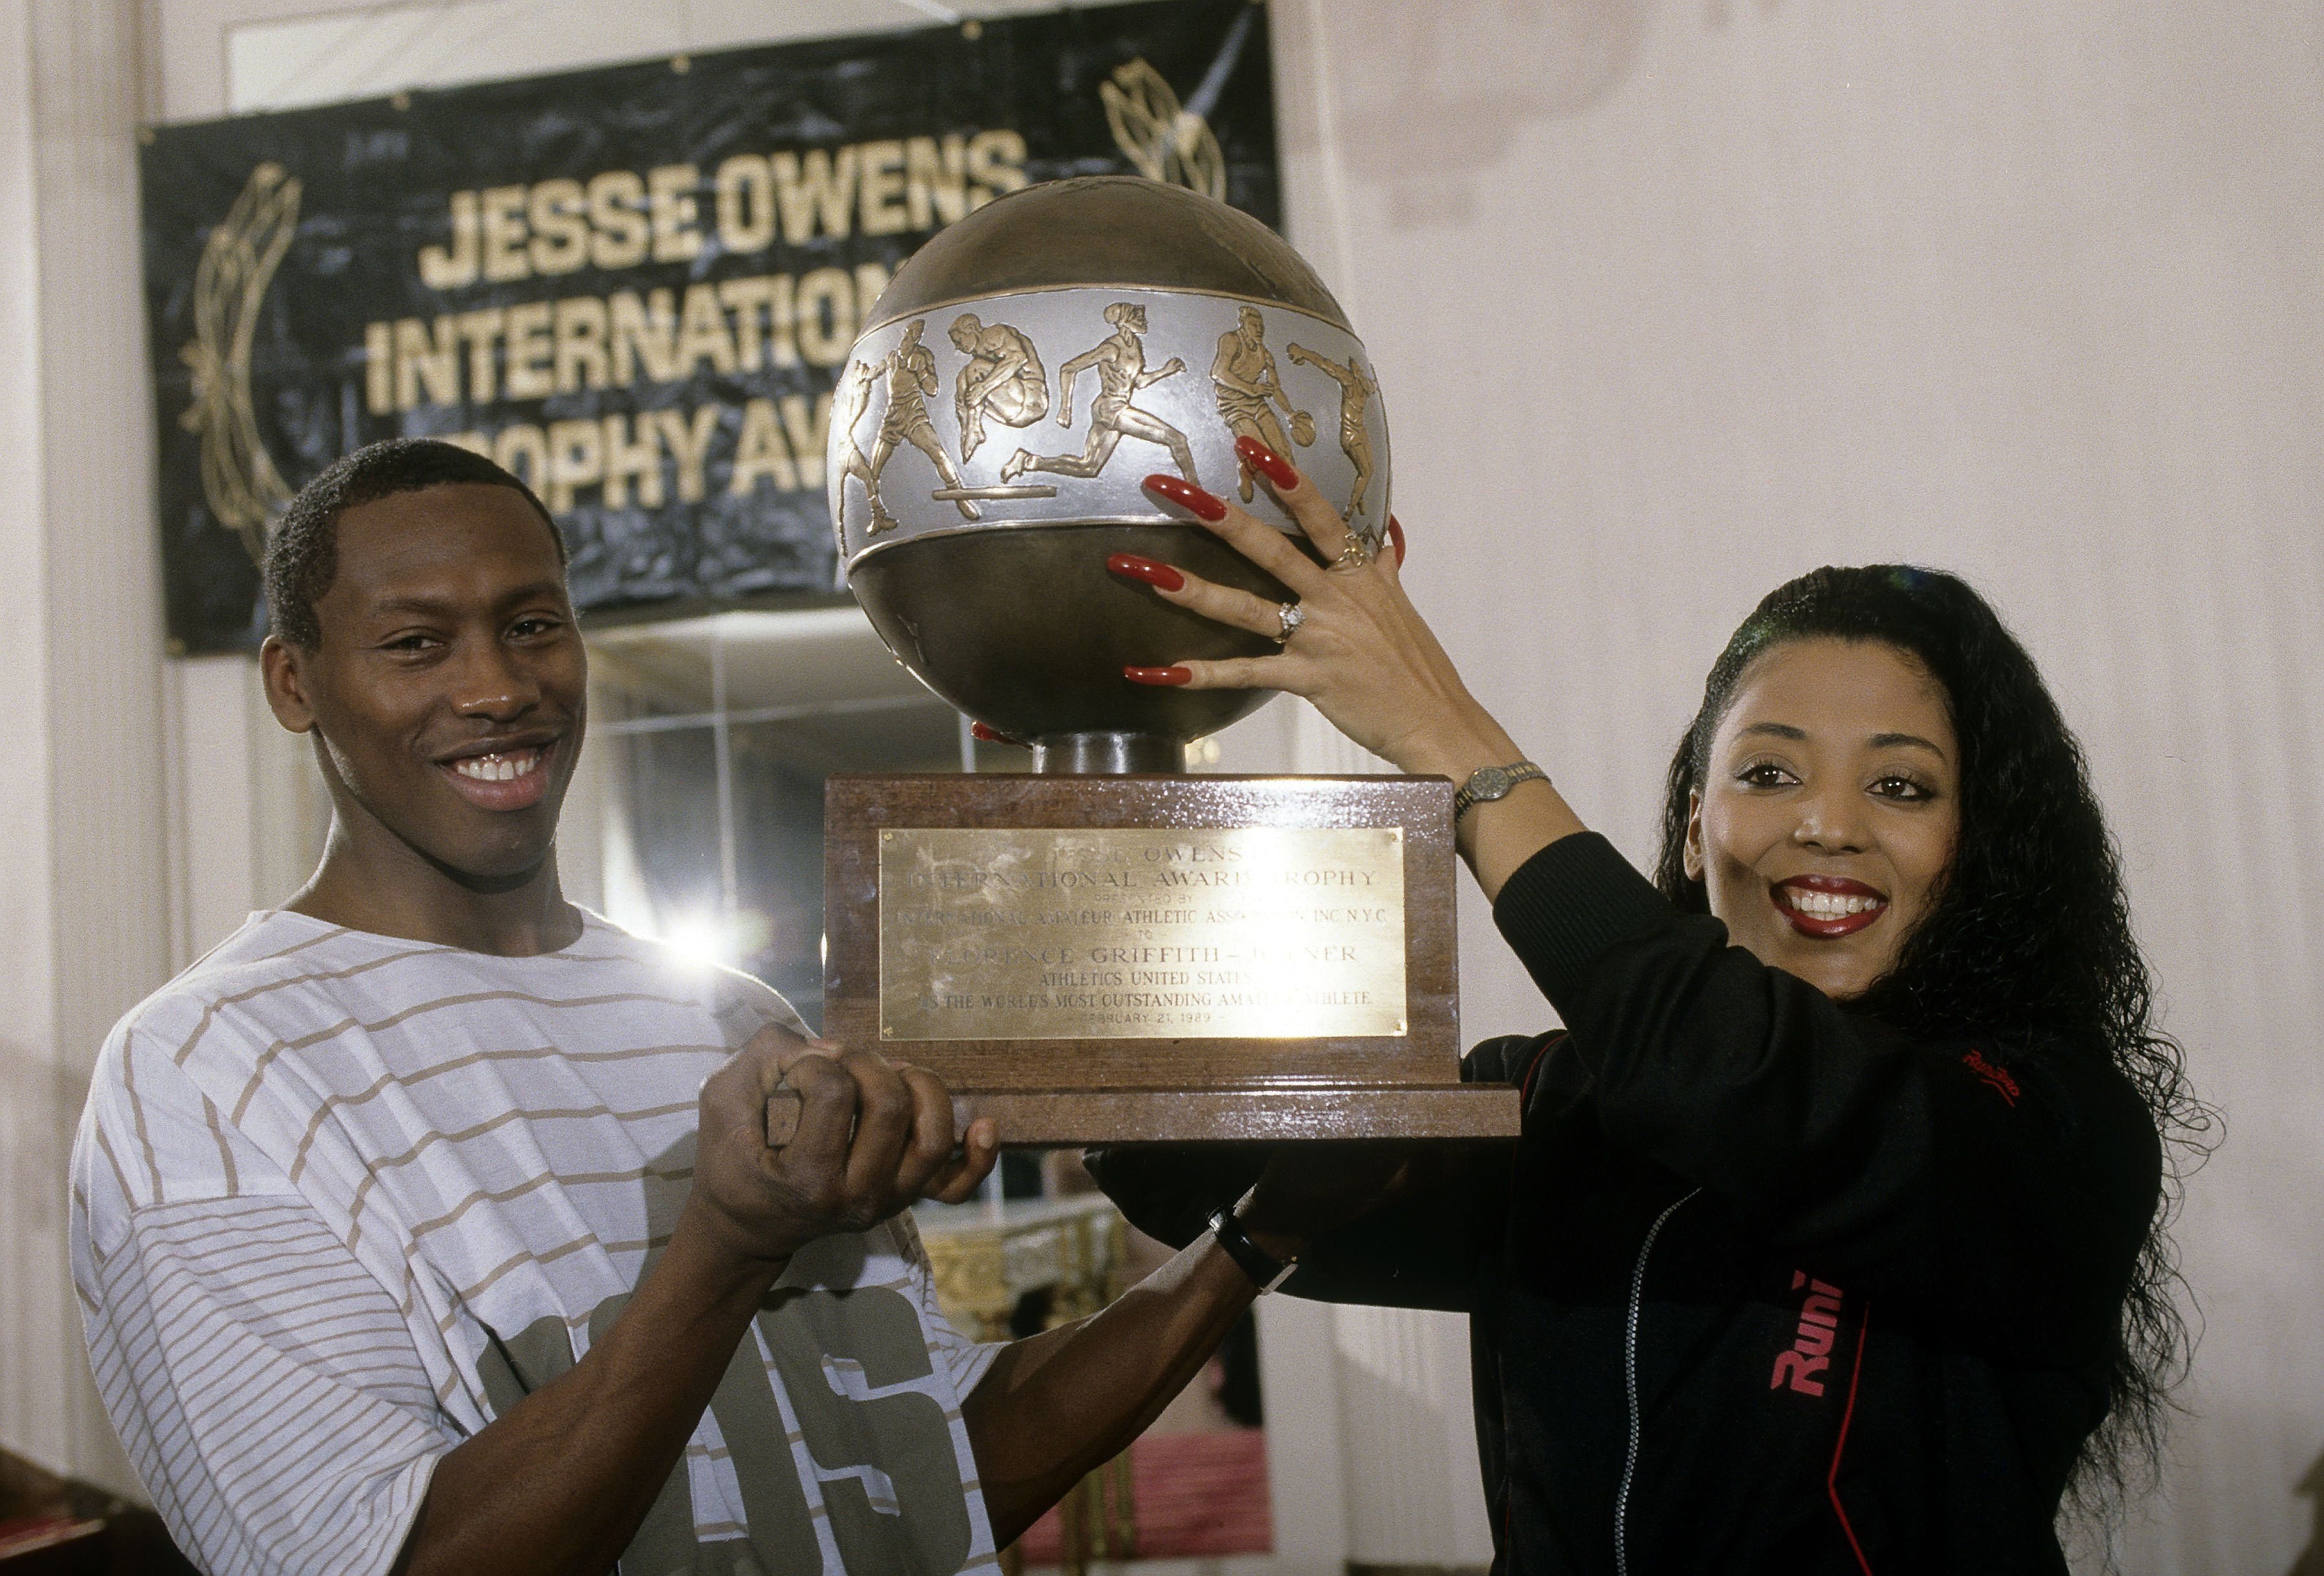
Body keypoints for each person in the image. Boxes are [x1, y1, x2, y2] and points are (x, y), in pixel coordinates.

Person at [70, 438, 1329, 1576]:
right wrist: (723, 1247)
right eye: (416, 643)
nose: (499, 686)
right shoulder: (207, 1072)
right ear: (295, 683)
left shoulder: (731, 1020)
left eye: (532, 626)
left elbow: (924, 1471)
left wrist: (1258, 1235)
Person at [1092, 436, 2203, 1575]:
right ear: (1690, 828)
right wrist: (1098, 793)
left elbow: (1741, 1083)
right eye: (1769, 773)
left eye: (1901, 785)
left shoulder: (2054, 1129)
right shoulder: (1551, 1104)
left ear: (1980, 848)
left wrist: (1449, 738)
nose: (1826, 825)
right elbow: (1185, 1161)